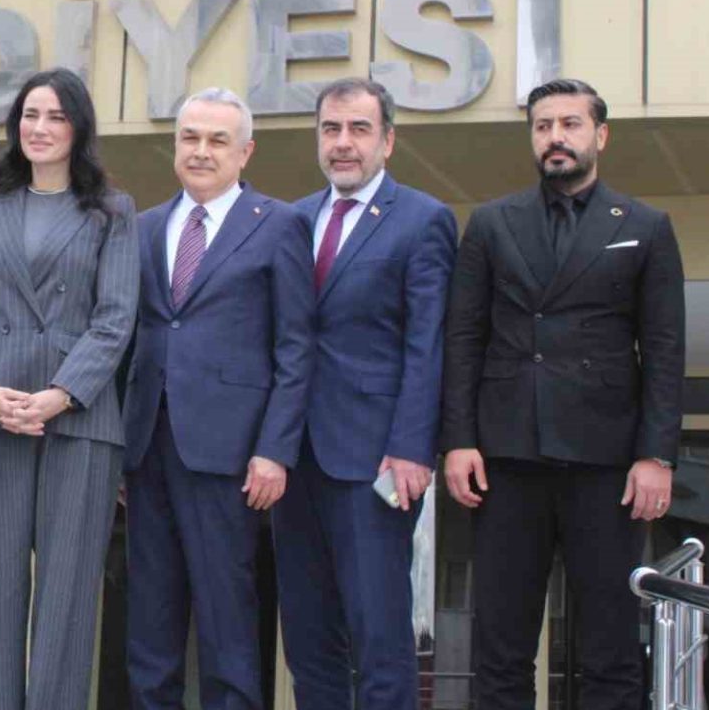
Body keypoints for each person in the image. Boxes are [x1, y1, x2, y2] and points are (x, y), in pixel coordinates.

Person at [442, 77, 685, 710]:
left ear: (600, 135)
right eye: (543, 125)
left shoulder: (646, 225)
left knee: (610, 648)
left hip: (607, 463)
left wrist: (656, 455)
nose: (556, 137)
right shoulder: (491, 223)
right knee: (500, 647)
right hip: (507, 458)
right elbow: (464, 338)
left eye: (570, 124)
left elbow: (664, 350)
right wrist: (459, 440)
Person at [0, 69, 138, 710]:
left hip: (79, 421)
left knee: (67, 599)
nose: (41, 128)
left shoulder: (112, 211)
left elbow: (115, 318)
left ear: (78, 128)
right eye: (31, 114)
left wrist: (61, 394)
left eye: (56, 116)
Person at [124, 87, 315, 710]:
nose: (201, 151)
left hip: (230, 456)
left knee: (226, 617)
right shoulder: (143, 226)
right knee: (149, 620)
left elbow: (295, 347)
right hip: (147, 449)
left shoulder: (279, 224)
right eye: (190, 137)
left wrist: (275, 450)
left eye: (217, 140)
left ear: (245, 152)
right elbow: (127, 340)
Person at [273, 78, 457, 709]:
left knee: (379, 635)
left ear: (388, 141)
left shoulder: (424, 219)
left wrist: (413, 448)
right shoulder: (291, 220)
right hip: (292, 459)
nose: (343, 143)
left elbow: (427, 344)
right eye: (331, 129)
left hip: (376, 461)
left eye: (358, 129)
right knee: (307, 639)